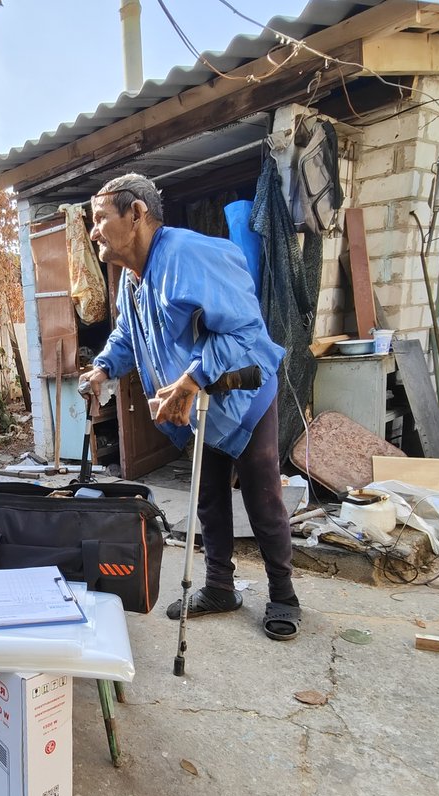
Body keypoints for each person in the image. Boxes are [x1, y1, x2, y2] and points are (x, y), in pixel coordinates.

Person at [81, 173, 301, 641]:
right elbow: (128, 334)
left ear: (136, 214)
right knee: (209, 497)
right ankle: (220, 586)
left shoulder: (187, 254)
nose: (93, 231)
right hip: (196, 403)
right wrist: (104, 368)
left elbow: (243, 331)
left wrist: (192, 378)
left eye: (101, 219)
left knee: (262, 496)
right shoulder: (132, 279)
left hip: (242, 392)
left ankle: (284, 595)